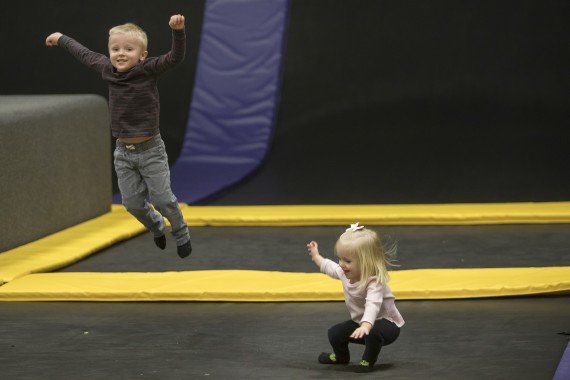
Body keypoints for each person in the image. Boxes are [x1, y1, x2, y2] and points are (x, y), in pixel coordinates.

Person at [45, 15, 192, 258]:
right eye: (115, 49)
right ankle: (156, 226)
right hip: (123, 153)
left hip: (151, 150)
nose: (120, 54)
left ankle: (180, 231)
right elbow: (83, 53)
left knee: (163, 198)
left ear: (143, 55)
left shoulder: (148, 70)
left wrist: (178, 32)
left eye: (128, 49)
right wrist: (61, 38)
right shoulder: (106, 68)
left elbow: (175, 57)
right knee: (132, 204)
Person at [306, 222, 404, 373]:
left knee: (372, 332)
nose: (342, 264)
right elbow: (329, 267)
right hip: (361, 323)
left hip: (387, 325)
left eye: (348, 261)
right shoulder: (344, 272)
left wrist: (365, 325)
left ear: (366, 262)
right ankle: (341, 357)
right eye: (340, 258)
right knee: (335, 332)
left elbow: (373, 304)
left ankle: (367, 361)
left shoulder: (374, 282)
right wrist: (316, 256)